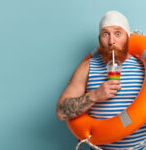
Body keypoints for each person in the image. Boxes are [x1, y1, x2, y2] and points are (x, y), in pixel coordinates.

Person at [56, 11, 146, 149]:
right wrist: (95, 95)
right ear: (99, 39)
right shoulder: (87, 68)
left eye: (117, 33)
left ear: (128, 37)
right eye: (105, 34)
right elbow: (61, 112)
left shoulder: (142, 67)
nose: (111, 41)